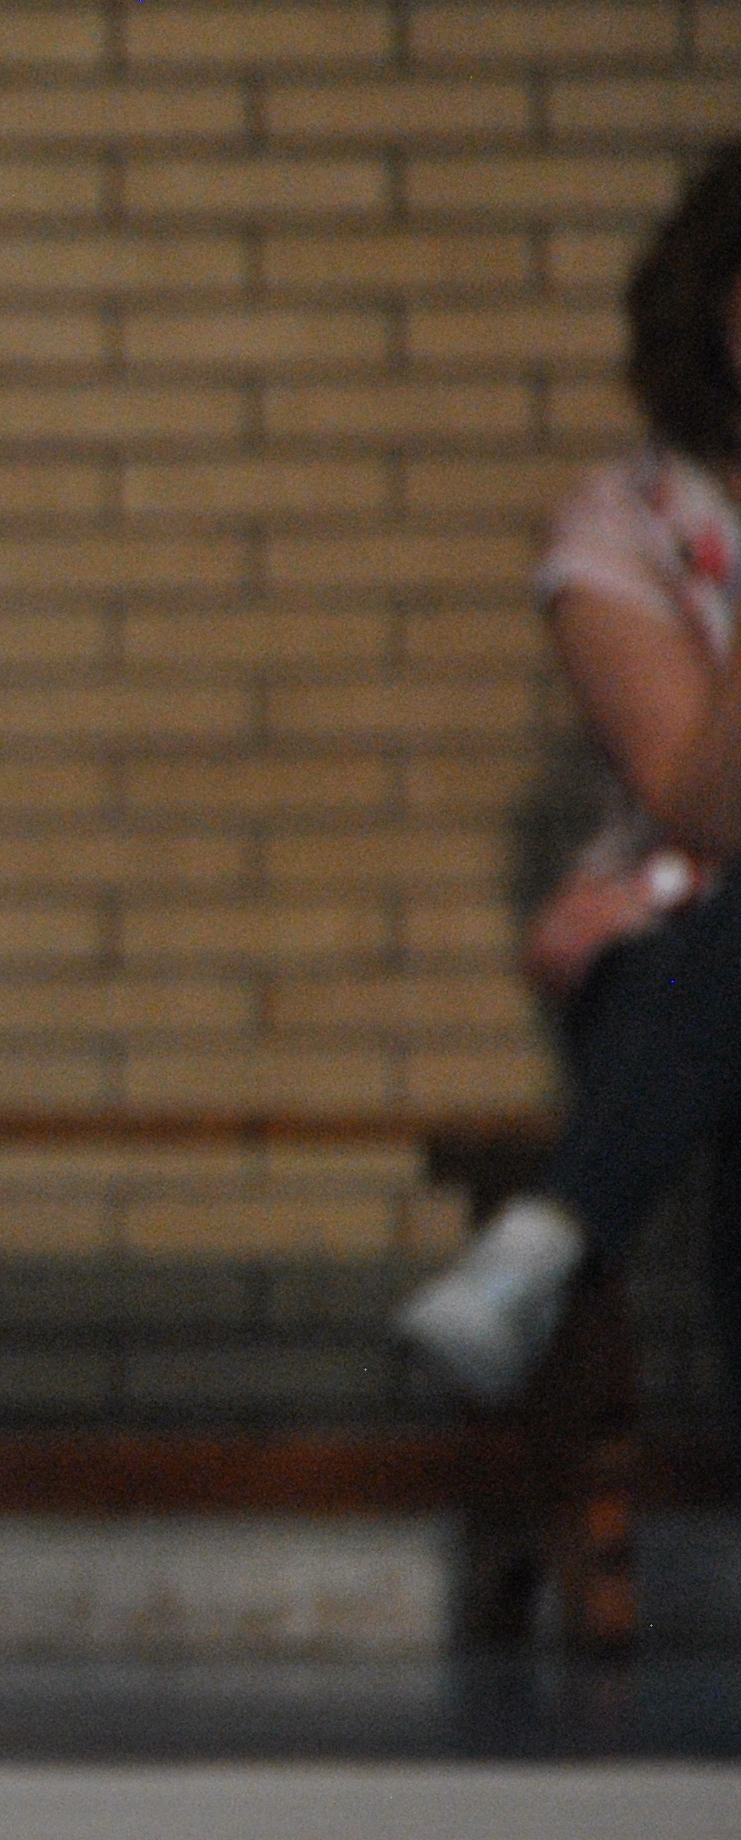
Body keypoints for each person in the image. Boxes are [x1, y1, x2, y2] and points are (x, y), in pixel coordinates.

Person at [398, 139, 741, 1406]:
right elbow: (706, 802)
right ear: (715, 314)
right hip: (675, 939)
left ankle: (546, 1240)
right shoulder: (623, 524)